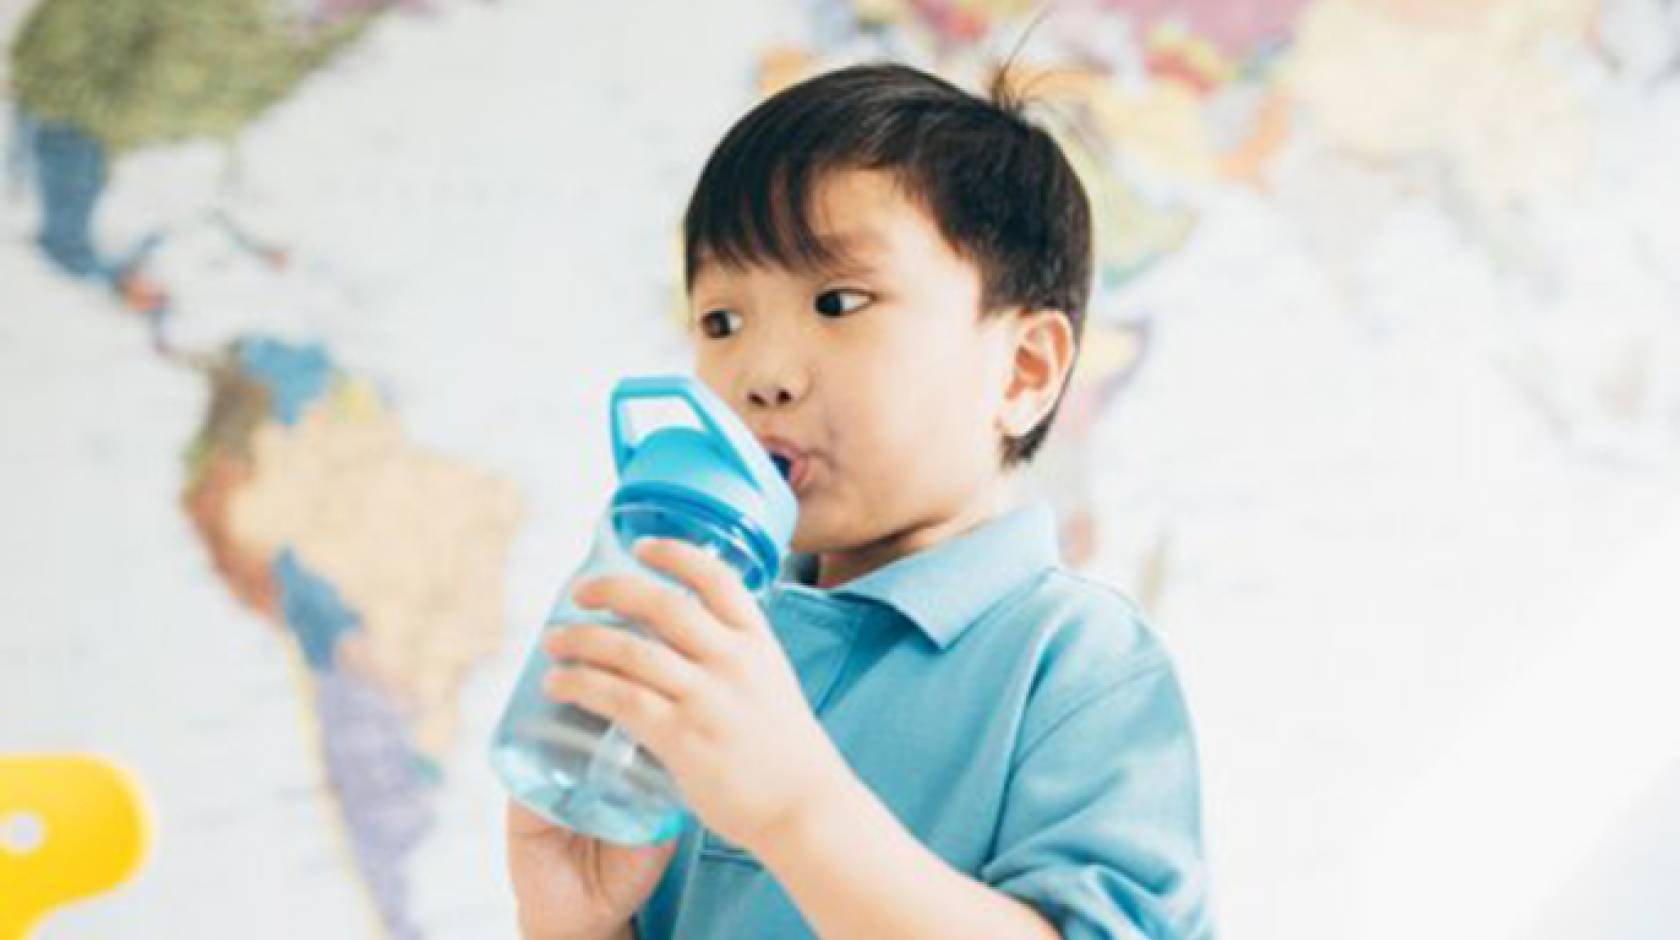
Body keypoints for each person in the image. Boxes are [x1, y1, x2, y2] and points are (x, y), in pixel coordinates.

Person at [506, 62, 1214, 940]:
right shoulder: (718, 642)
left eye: (838, 302)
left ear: (1023, 371)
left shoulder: (1077, 663)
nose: (763, 374)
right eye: (721, 321)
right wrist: (577, 925)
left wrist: (798, 810)